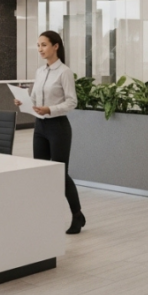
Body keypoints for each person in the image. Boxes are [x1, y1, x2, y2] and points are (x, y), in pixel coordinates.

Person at [15, 31, 86, 235]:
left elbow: (72, 102)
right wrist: (25, 101)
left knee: (59, 174)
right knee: (42, 172)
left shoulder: (64, 72)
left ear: (56, 46)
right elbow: (37, 99)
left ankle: (77, 215)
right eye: (38, 45)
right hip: (40, 127)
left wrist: (50, 109)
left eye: (44, 45)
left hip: (58, 128)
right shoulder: (40, 72)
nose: (40, 49)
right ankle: (44, 216)